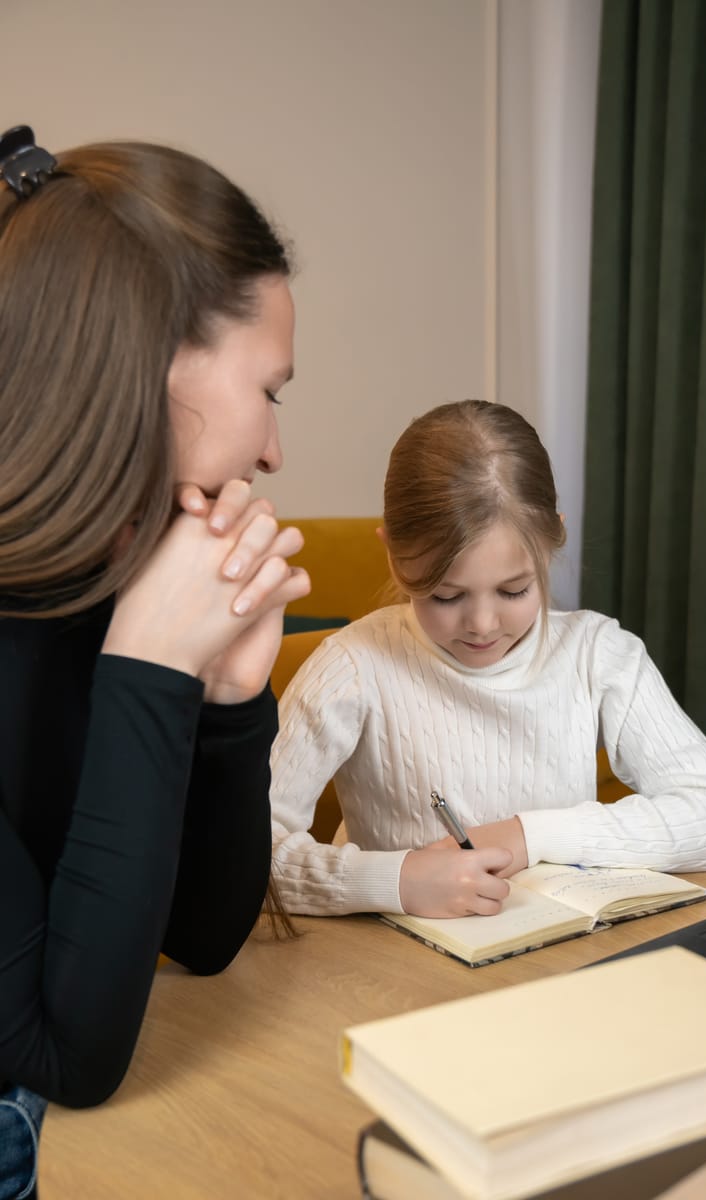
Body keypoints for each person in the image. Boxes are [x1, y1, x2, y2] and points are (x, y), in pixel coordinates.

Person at [0, 125, 310, 1199]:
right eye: (271, 388)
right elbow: (62, 1061)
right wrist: (148, 662)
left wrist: (227, 699)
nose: (273, 449)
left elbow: (207, 936)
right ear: (153, 362)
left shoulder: (108, 572)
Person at [270, 399, 706, 919]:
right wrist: (395, 880)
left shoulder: (598, 654)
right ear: (392, 553)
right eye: (446, 596)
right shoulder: (353, 666)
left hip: (555, 963)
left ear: (550, 544)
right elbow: (238, 856)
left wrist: (528, 835)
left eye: (514, 590)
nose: (482, 624)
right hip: (398, 976)